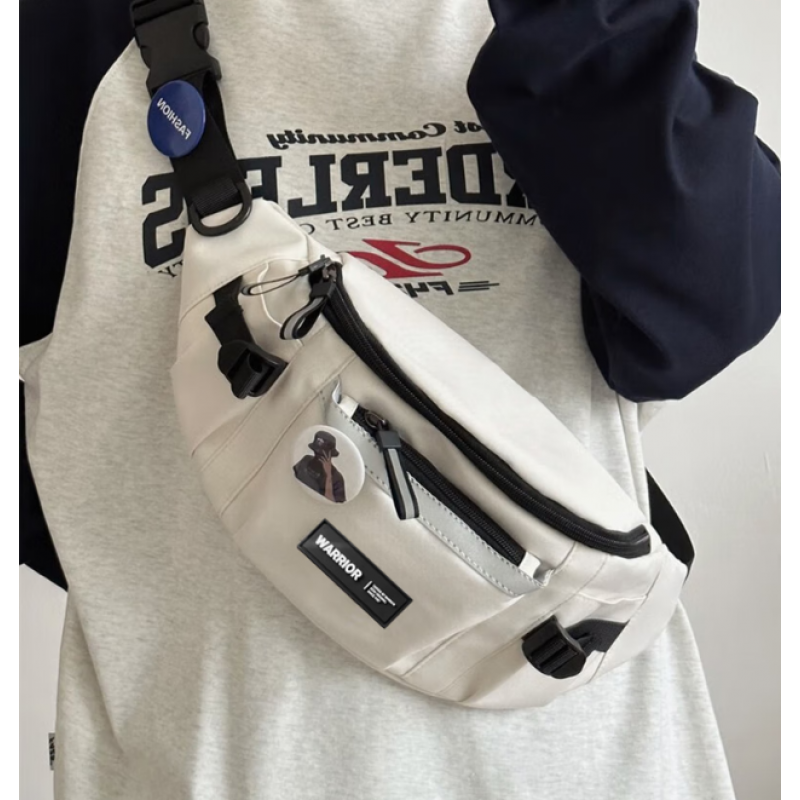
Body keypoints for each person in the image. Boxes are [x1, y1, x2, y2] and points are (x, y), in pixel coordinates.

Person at [20, 1, 779, 799]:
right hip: (212, 767)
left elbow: (717, 306)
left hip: (583, 760)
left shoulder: (572, 20)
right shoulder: (71, 36)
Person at [294, 431, 348, 503]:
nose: (319, 458)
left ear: (330, 455)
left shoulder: (337, 478)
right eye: (317, 453)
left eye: (323, 455)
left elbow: (335, 506)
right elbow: (290, 477)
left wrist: (328, 476)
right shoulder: (305, 461)